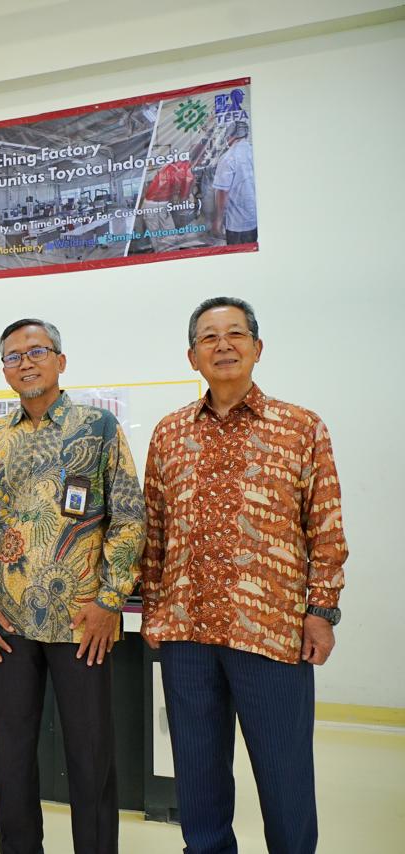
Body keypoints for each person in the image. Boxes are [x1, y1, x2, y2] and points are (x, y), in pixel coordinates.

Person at [141, 297, 348, 854]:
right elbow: (153, 533)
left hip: (272, 633)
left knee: (284, 781)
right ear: (192, 357)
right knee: (199, 781)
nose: (223, 345)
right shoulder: (168, 434)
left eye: (235, 334)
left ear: (258, 348)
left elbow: (325, 529)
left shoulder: (301, 428)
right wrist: (156, 611)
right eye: (209, 337)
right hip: (187, 636)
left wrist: (321, 613)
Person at [0, 318, 145, 854]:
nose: (25, 361)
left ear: (61, 361)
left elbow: (129, 518)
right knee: (12, 757)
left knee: (91, 757)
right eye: (13, 355)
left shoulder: (97, 429)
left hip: (83, 623)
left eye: (36, 350)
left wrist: (110, 602)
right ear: (4, 371)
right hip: (8, 624)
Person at [212, 120, 257, 244]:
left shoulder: (228, 158)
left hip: (238, 224)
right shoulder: (254, 152)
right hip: (256, 219)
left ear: (230, 136)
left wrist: (218, 221)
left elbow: (222, 192)